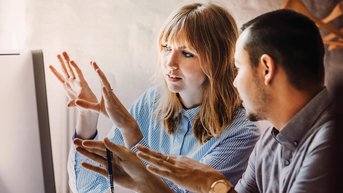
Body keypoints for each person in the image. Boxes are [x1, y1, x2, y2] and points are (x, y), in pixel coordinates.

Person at [80, 9, 336, 193]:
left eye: (238, 68)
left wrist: (212, 185)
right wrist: (144, 181)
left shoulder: (331, 142)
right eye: (166, 48)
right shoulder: (272, 142)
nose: (234, 81)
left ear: (266, 69)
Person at [49, 3, 260, 193]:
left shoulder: (241, 132)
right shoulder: (151, 102)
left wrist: (131, 131)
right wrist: (87, 116)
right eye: (166, 48)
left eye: (187, 53)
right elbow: (88, 188)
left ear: (218, 60)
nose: (170, 62)